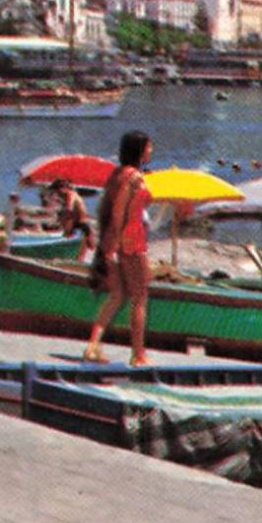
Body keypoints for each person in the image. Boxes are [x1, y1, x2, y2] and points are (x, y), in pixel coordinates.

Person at [83, 131, 154, 367]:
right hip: (132, 242)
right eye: (149, 147)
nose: (151, 151)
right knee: (140, 298)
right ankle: (138, 355)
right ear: (140, 150)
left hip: (120, 240)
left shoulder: (118, 174)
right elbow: (120, 211)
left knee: (118, 295)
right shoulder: (134, 178)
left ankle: (93, 345)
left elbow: (113, 207)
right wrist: (115, 244)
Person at [55, 181, 95, 252]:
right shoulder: (70, 194)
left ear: (64, 188)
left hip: (79, 219)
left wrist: (61, 219)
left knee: (86, 235)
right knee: (88, 235)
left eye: (58, 190)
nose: (57, 193)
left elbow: (69, 209)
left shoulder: (70, 194)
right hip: (79, 219)